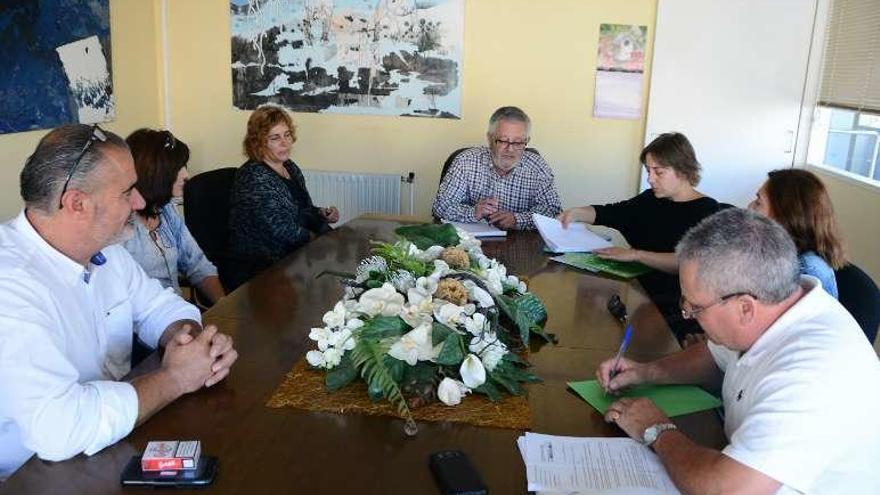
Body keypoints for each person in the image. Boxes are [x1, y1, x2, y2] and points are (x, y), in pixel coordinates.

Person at [0, 125, 239, 479]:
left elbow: (162, 307)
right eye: (128, 192)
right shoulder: (11, 287)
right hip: (35, 476)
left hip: (110, 445)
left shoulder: (106, 252)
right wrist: (175, 378)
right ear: (77, 203)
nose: (140, 203)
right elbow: (60, 427)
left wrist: (191, 342)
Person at [597, 208, 880, 494]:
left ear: (745, 307)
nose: (689, 315)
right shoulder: (778, 306)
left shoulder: (811, 374)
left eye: (695, 307)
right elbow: (713, 355)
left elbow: (726, 490)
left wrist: (656, 429)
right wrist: (646, 372)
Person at [558, 132, 725, 339]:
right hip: (637, 293)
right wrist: (576, 213)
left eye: (658, 172)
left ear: (682, 170)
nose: (650, 178)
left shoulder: (707, 210)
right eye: (648, 170)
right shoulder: (651, 199)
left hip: (673, 304)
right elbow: (613, 212)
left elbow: (690, 263)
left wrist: (637, 255)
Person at [227, 105, 339, 289]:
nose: (285, 143)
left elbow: (303, 209)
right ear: (259, 142)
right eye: (275, 138)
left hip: (293, 255)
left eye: (287, 135)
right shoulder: (253, 177)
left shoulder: (289, 167)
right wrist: (319, 239)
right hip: (264, 265)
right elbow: (280, 229)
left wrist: (322, 213)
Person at [122, 128, 225, 305]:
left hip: (178, 315)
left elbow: (197, 264)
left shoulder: (166, 209)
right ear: (154, 172)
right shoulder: (120, 225)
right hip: (147, 326)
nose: (186, 175)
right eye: (178, 168)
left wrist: (224, 307)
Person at [432, 106, 562, 230]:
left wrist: (517, 220)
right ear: (490, 138)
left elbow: (553, 211)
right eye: (503, 141)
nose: (510, 149)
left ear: (526, 140)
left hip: (520, 244)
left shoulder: (538, 167)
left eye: (518, 142)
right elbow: (440, 207)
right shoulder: (465, 161)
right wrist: (473, 212)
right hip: (472, 244)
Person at [748, 168, 844, 299]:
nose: (749, 207)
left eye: (758, 203)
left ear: (784, 216)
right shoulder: (779, 252)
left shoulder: (805, 272)